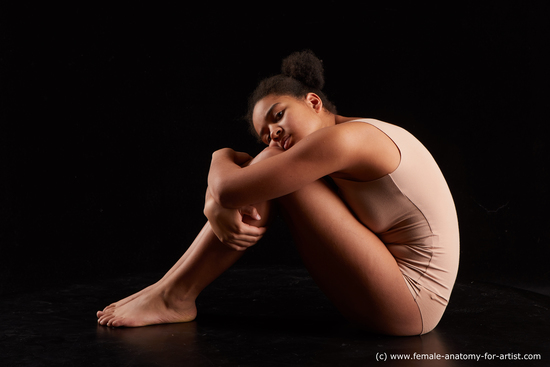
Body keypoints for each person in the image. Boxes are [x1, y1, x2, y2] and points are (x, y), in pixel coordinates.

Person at [97, 50, 459, 336]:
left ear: (314, 102)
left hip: (411, 304)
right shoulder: (347, 135)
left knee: (270, 165)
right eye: (265, 133)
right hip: (393, 293)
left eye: (278, 115)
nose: (274, 134)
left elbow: (228, 187)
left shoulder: (348, 140)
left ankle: (174, 296)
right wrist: (224, 196)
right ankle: (167, 290)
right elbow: (234, 189)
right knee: (271, 167)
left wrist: (219, 159)